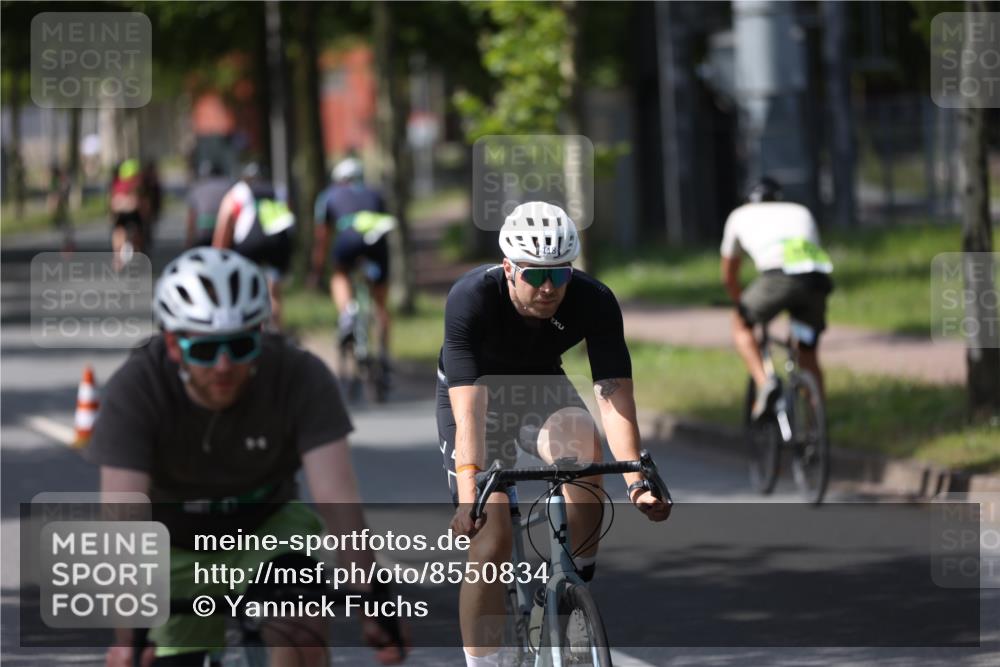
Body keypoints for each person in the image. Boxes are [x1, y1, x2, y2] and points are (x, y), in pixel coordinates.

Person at [85, 248, 405, 667]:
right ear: (173, 344)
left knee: (301, 633)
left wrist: (373, 600)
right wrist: (129, 635)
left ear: (260, 333)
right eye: (204, 350)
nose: (223, 366)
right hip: (173, 544)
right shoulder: (138, 387)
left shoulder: (298, 374)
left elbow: (337, 500)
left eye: (240, 345)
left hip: (267, 528)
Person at [437, 202, 671, 666]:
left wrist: (637, 483)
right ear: (508, 268)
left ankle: (570, 589)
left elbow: (613, 394)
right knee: (492, 538)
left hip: (541, 387)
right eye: (534, 276)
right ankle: (486, 662)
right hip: (475, 399)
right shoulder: (470, 298)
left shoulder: (594, 300)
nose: (548, 288)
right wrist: (470, 498)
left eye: (560, 275)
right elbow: (469, 416)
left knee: (585, 450)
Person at [719, 176, 835, 420]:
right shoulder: (800, 210)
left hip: (776, 280)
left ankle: (764, 384)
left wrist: (741, 302)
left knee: (739, 322)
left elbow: (729, 275)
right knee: (807, 354)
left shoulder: (740, 215)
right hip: (815, 280)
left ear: (749, 200)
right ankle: (817, 427)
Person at [311, 157, 395, 353]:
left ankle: (348, 313)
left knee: (339, 274)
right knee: (381, 305)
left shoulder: (328, 195)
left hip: (348, 237)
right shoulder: (375, 192)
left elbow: (322, 238)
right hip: (376, 240)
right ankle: (385, 359)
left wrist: (317, 269)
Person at [213, 164, 295, 329]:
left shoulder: (237, 191)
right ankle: (276, 335)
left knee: (245, 289)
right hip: (277, 243)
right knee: (274, 293)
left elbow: (225, 224)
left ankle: (249, 329)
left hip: (249, 244)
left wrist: (217, 256)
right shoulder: (278, 190)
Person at [185, 160, 232, 248]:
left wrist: (189, 241)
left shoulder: (197, 187)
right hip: (223, 231)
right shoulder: (229, 185)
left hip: (202, 232)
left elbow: (191, 217)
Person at [108, 158, 145, 270]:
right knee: (118, 233)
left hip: (135, 215)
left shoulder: (139, 185)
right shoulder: (119, 185)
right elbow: (113, 203)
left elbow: (140, 202)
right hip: (121, 215)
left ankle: (136, 254)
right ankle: (118, 257)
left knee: (137, 235)